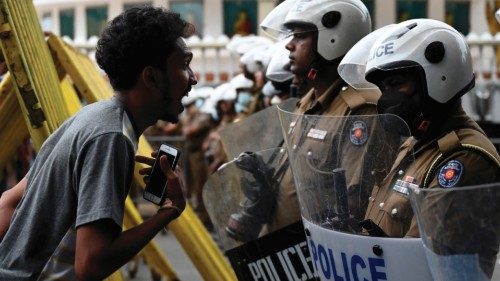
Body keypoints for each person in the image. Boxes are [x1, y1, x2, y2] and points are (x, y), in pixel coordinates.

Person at [0, 7, 197, 280]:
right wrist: (168, 211)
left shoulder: (90, 117)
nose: (193, 78)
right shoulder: (111, 138)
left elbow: (9, 201)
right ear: (151, 77)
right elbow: (90, 265)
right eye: (184, 65)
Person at [228, 0, 388, 239]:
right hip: (286, 251)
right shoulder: (307, 101)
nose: (289, 46)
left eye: (300, 37)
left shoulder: (360, 111)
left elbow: (353, 207)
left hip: (320, 256)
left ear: (334, 40)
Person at [354, 19, 500, 276]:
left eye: (397, 84)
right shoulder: (416, 143)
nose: (387, 97)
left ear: (438, 78)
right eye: (384, 88)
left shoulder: (462, 158)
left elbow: (418, 262)